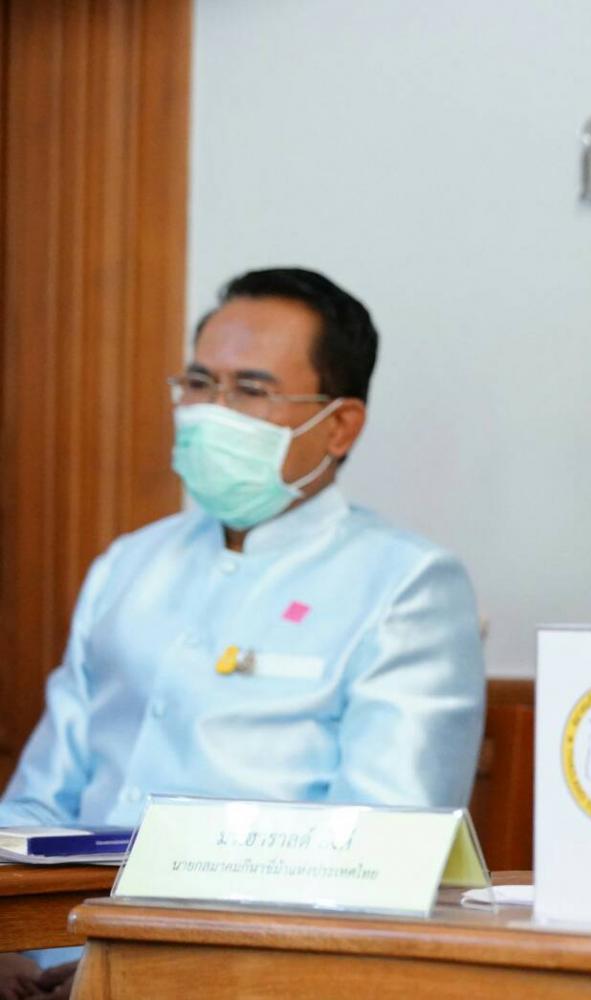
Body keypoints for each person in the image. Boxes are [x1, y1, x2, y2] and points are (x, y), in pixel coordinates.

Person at [0, 268, 486, 996]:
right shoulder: (128, 566)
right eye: (199, 384)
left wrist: (134, 973)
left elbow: (382, 856)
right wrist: (14, 947)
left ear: (340, 424)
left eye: (251, 390)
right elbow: (35, 807)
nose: (211, 413)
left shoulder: (405, 586)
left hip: (250, 976)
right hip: (47, 960)